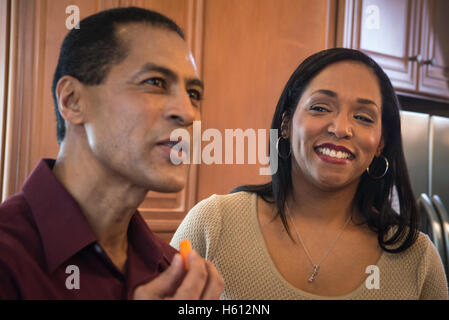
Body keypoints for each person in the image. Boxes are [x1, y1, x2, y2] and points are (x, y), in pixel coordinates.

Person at [171, 48, 449, 299]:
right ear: (286, 123)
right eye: (320, 108)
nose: (341, 128)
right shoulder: (213, 224)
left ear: (380, 143)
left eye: (363, 117)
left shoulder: (418, 259)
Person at [0, 7, 223, 299]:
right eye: (155, 82)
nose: (187, 113)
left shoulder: (171, 271)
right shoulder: (8, 255)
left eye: (193, 94)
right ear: (72, 100)